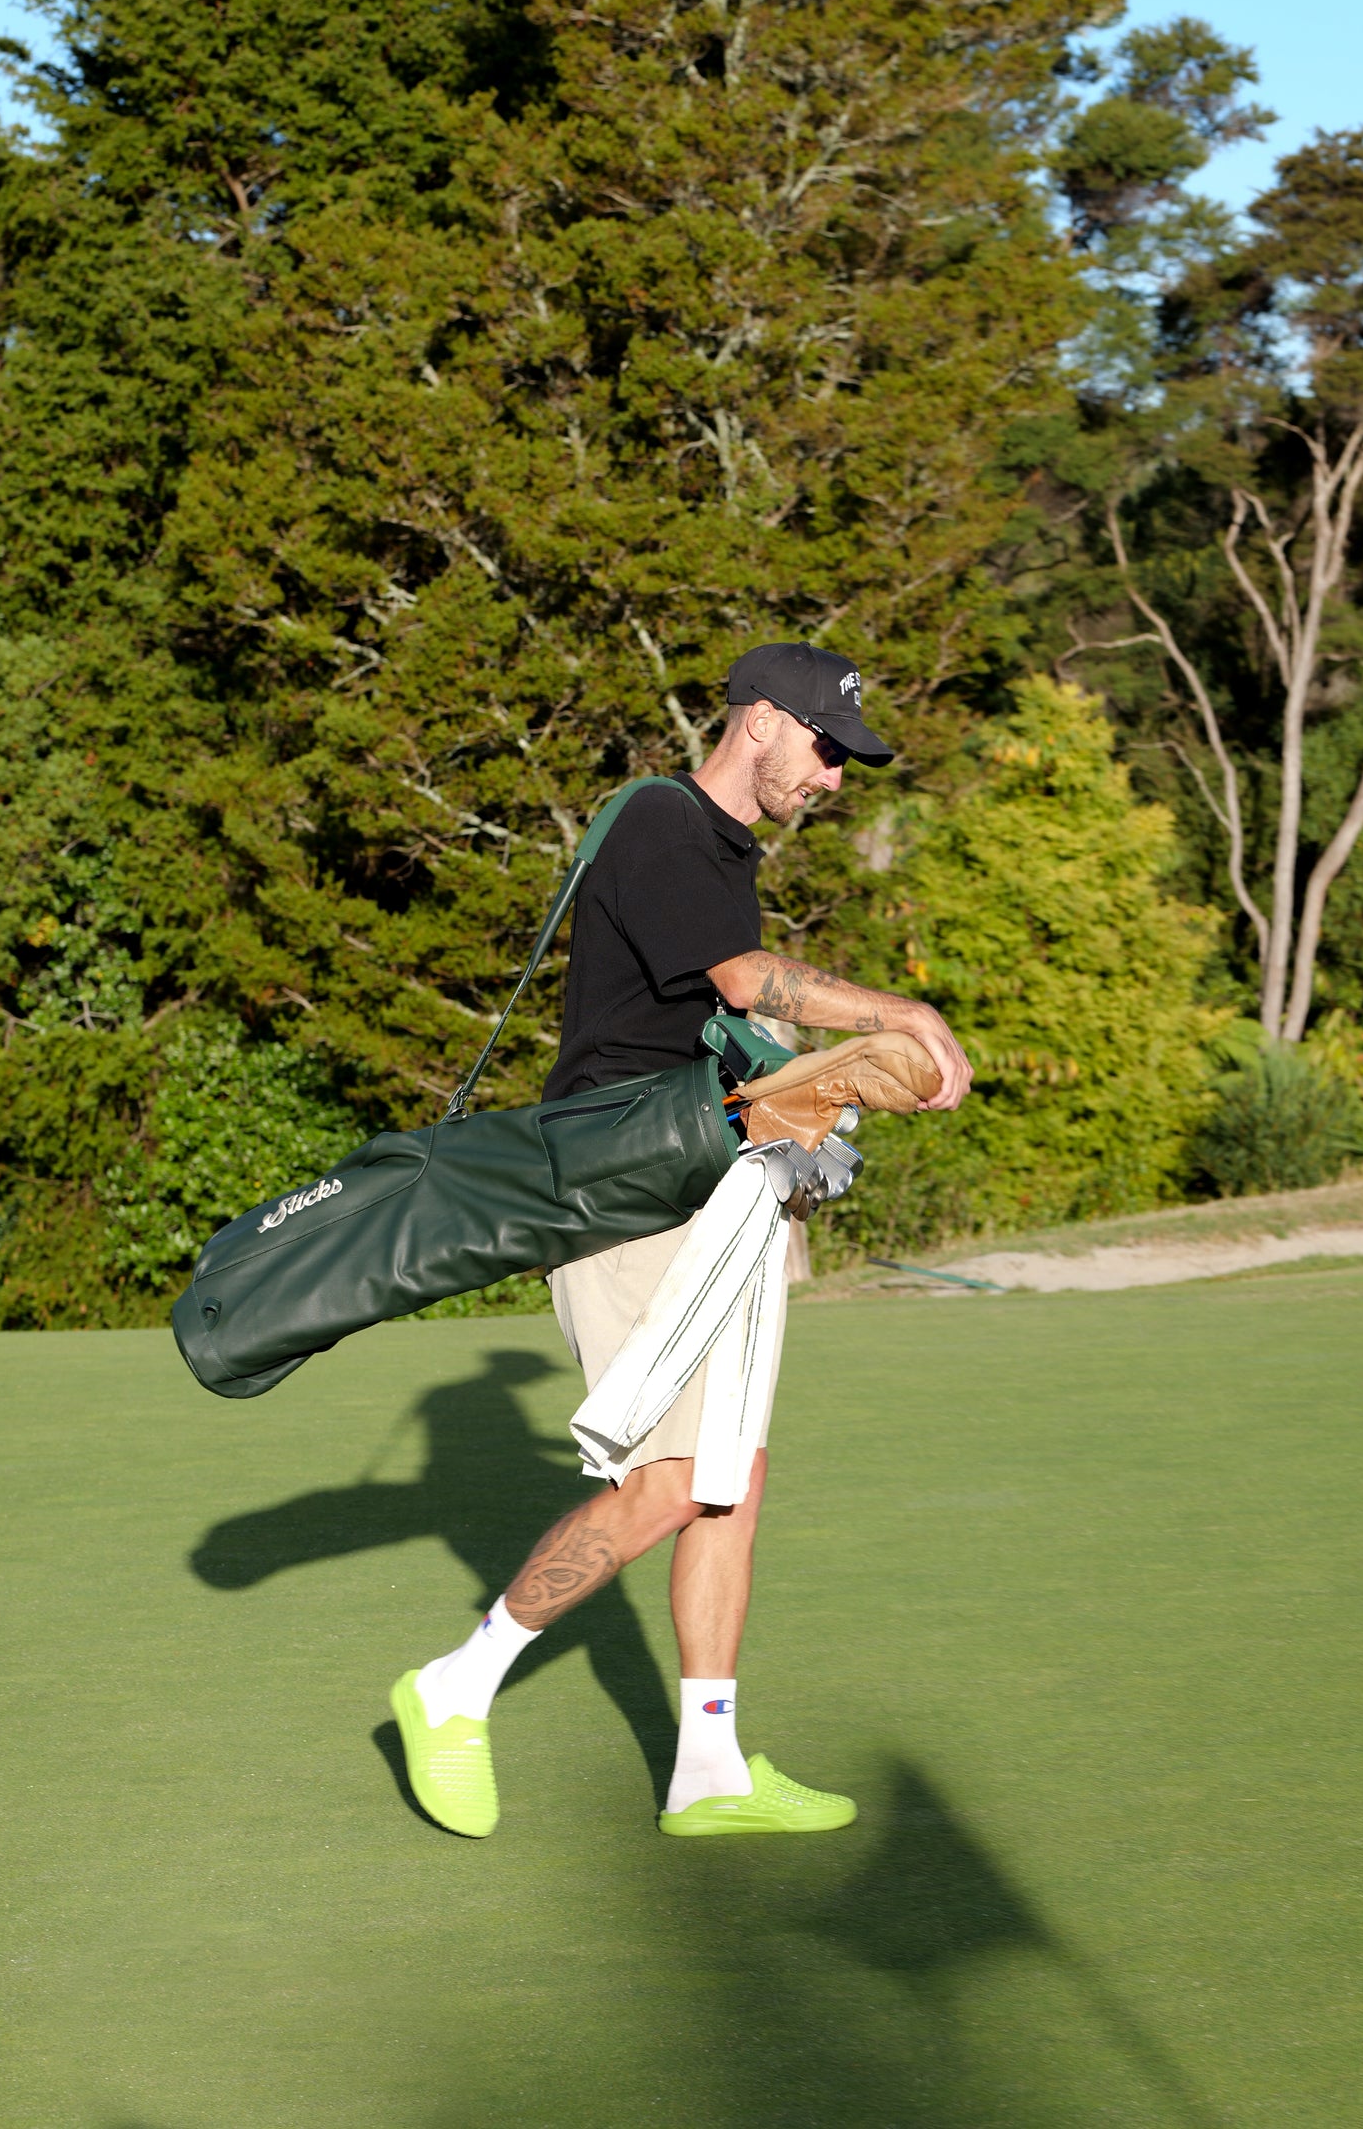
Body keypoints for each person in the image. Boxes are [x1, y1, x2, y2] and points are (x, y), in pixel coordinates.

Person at [391, 641, 972, 1838]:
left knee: (729, 1482)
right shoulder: (661, 821)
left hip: (707, 1195)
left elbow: (713, 1022)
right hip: (618, 1201)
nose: (833, 778)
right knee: (663, 1483)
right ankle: (455, 1685)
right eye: (825, 749)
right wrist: (897, 1010)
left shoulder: (721, 850)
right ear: (759, 721)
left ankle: (706, 1767)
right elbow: (743, 976)